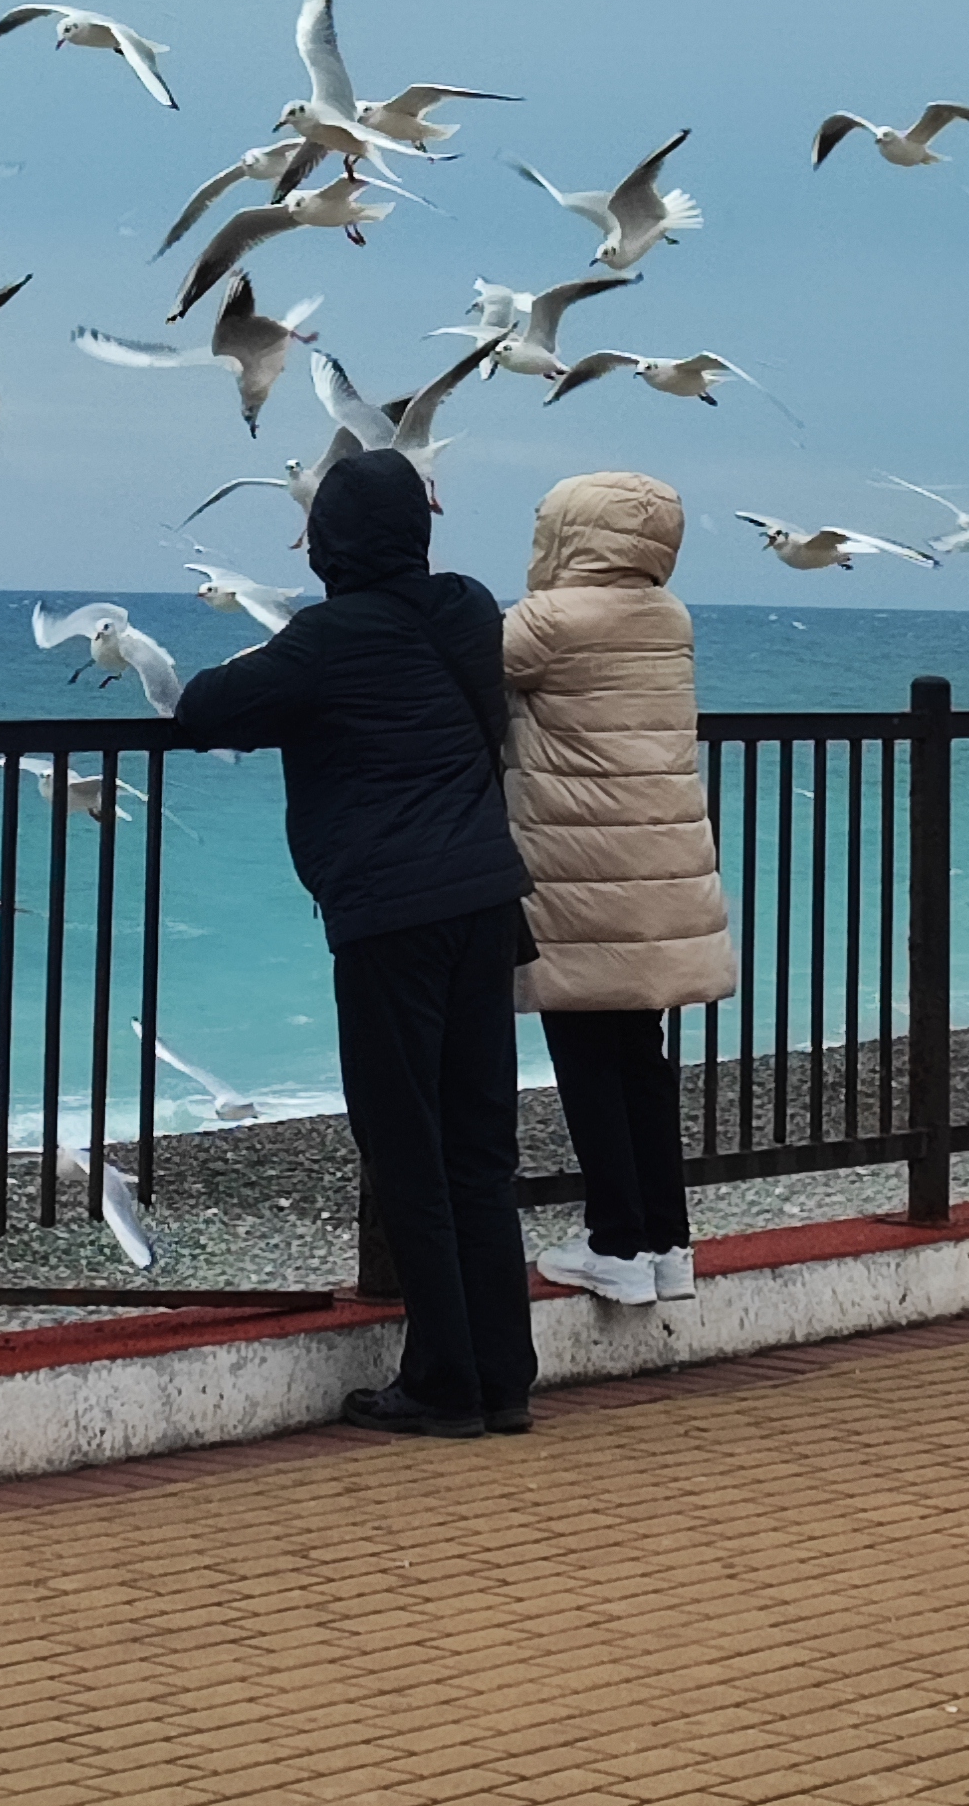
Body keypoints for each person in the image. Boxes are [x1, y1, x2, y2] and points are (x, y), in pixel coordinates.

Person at [171, 445, 538, 1439]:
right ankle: (503, 1373)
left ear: (327, 541)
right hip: (484, 899)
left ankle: (445, 1380)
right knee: (477, 1141)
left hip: (392, 913)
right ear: (417, 532)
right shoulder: (465, 608)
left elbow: (201, 708)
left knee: (405, 1140)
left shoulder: (323, 640)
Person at [503, 468, 736, 1307]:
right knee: (640, 1058)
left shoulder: (550, 622)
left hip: (581, 880)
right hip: (656, 878)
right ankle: (669, 1243)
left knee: (585, 1057)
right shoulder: (667, 617)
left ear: (568, 537)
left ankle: (617, 1246)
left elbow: (471, 669)